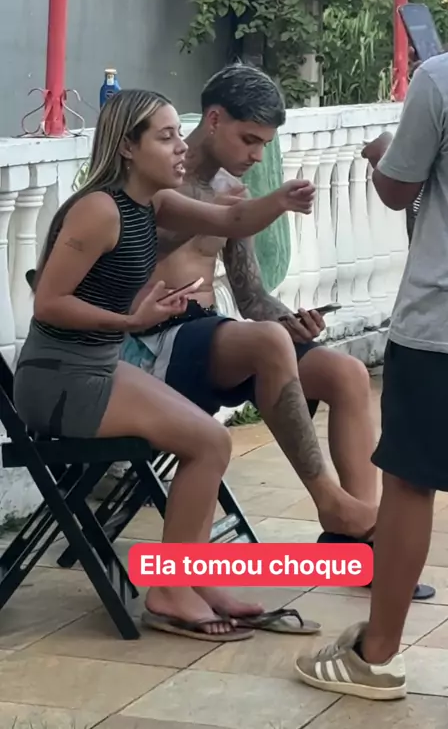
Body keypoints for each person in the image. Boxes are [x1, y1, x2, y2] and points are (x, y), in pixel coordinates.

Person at [14, 88, 319, 643]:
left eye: (179, 133)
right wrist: (131, 321)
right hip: (61, 380)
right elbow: (49, 303)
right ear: (127, 147)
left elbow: (234, 218)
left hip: (97, 366)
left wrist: (282, 199)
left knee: (209, 441)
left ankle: (193, 578)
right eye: (165, 136)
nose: (181, 146)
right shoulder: (99, 209)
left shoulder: (152, 203)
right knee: (209, 442)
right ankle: (171, 590)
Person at [120, 63, 432, 600]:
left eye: (264, 144)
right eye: (249, 140)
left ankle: (357, 543)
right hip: (151, 344)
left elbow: (251, 298)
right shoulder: (156, 177)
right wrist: (215, 216)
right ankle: (331, 502)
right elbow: (125, 258)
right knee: (266, 343)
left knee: (345, 372)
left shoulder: (231, 190)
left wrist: (291, 321)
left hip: (208, 338)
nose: (257, 156)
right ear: (214, 119)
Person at [294, 0, 448, 699]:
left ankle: (377, 656)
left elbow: (399, 189)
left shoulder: (446, 79)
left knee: (408, 484)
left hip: (446, 323)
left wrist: (383, 154)